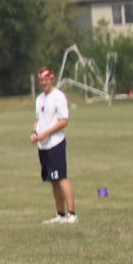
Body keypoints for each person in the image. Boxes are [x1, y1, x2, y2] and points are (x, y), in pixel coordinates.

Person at [32, 67, 77, 225]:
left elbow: (64, 120)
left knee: (62, 178)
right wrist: (35, 132)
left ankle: (72, 214)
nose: (44, 82)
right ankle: (60, 214)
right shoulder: (39, 99)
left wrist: (47, 133)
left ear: (52, 79)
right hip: (43, 145)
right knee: (53, 180)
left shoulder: (59, 96)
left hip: (55, 143)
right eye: (41, 80)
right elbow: (38, 119)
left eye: (46, 79)